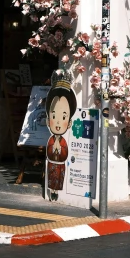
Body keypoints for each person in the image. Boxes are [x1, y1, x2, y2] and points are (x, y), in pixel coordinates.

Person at [45, 72, 77, 201]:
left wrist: (59, 150)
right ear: (48, 119)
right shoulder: (51, 140)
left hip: (60, 165)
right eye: (54, 116)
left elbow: (65, 153)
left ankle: (55, 193)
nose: (58, 122)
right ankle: (52, 191)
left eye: (63, 117)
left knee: (58, 179)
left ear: (69, 122)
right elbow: (48, 152)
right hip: (52, 164)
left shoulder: (63, 141)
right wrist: (53, 149)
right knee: (52, 179)